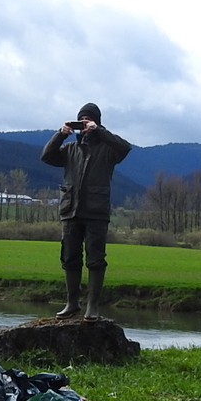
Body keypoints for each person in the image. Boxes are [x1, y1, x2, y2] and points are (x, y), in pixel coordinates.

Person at [40, 102, 132, 319]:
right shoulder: (69, 149)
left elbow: (125, 147)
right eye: (80, 120)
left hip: (96, 212)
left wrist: (99, 131)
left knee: (95, 259)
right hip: (70, 211)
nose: (83, 123)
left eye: (87, 120)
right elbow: (47, 156)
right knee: (69, 257)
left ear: (96, 122)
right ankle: (72, 304)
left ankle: (93, 307)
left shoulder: (108, 150)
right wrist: (60, 134)